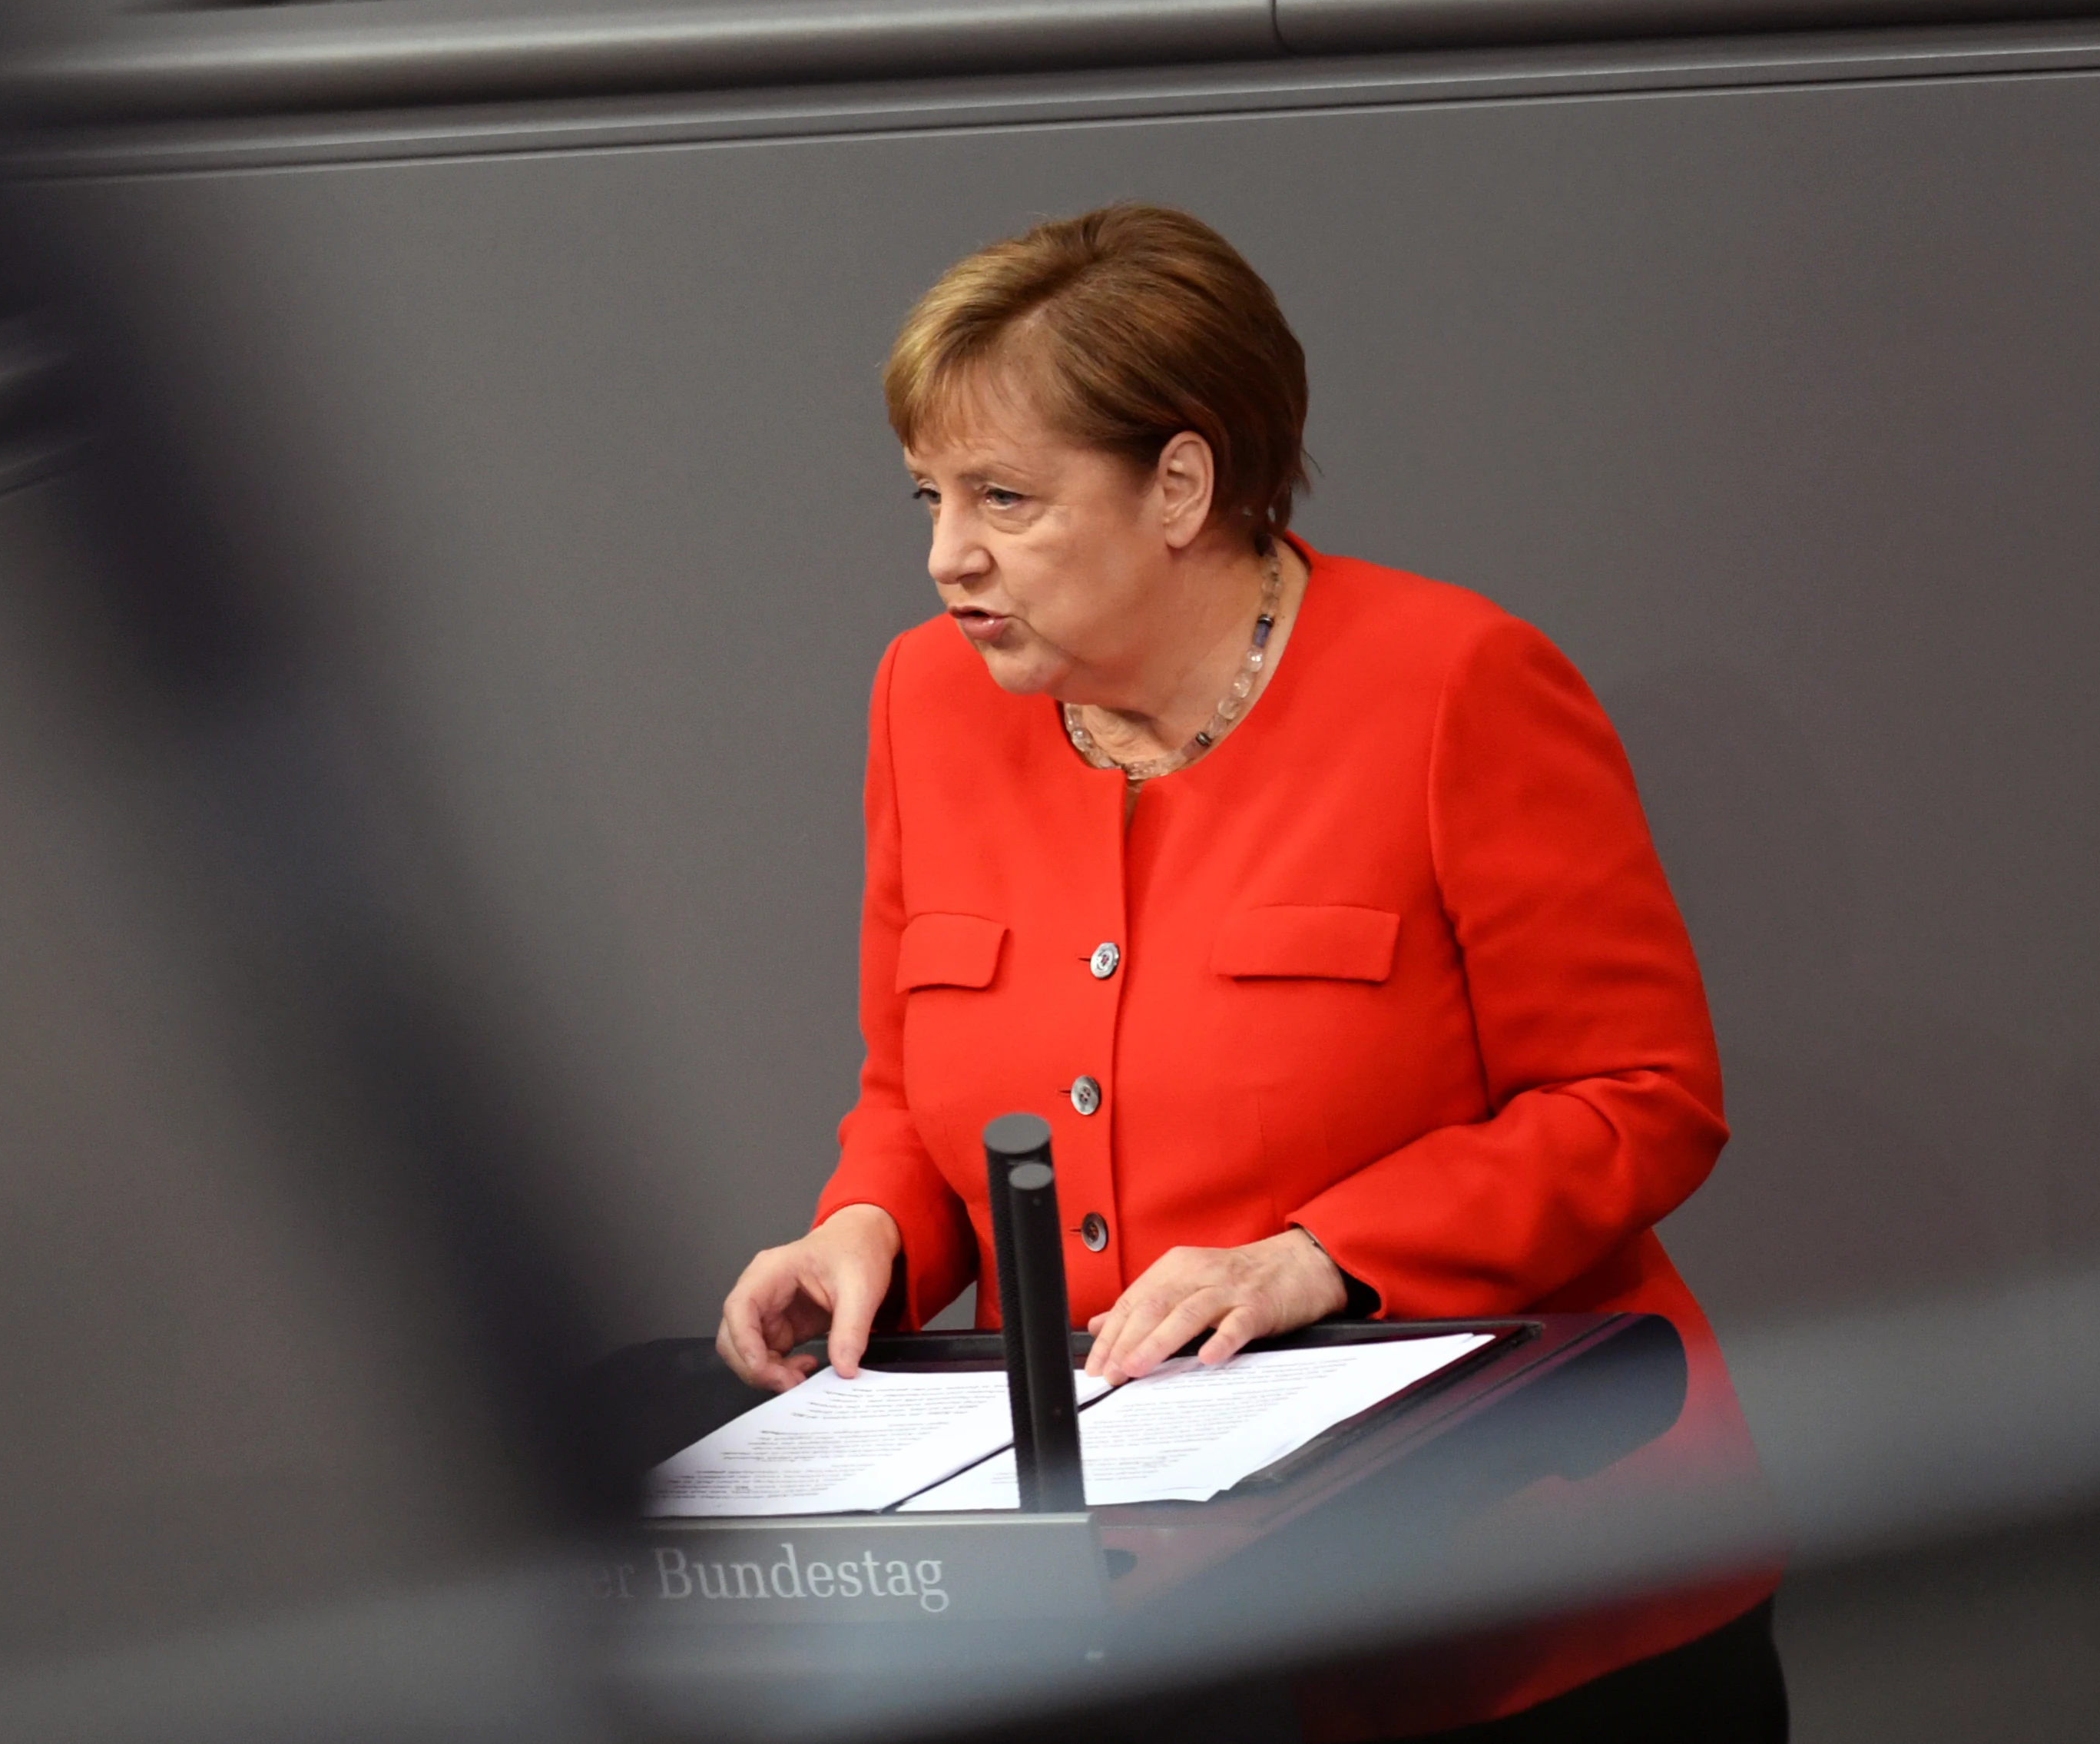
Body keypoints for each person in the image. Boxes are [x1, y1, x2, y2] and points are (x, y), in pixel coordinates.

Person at [709, 206, 1782, 1739]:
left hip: (1533, 1605)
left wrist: (1319, 1257)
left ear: (1179, 484)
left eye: (1003, 498)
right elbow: (913, 1081)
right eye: (928, 496)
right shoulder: (923, 699)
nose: (947, 555)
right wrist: (865, 1224)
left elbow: (1639, 1098)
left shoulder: (1451, 685)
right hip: (1159, 1627)